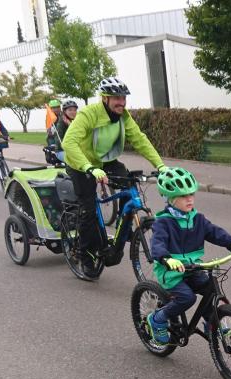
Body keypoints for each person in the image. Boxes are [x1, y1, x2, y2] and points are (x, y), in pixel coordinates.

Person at [61, 77, 169, 273]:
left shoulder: (123, 116)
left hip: (106, 160)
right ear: (104, 98)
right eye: (116, 98)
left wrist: (160, 166)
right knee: (88, 211)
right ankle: (85, 255)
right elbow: (69, 143)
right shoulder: (88, 113)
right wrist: (89, 167)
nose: (121, 102)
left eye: (123, 98)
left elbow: (139, 140)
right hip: (80, 164)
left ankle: (124, 226)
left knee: (130, 187)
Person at [145, 167, 231, 344]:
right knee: (187, 297)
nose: (189, 199)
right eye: (183, 196)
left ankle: (211, 323)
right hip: (171, 273)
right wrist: (167, 259)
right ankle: (157, 319)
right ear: (170, 199)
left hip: (193, 268)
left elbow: (216, 233)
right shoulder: (163, 222)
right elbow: (157, 244)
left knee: (210, 287)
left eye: (191, 194)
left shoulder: (198, 219)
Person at [44, 99, 77, 164]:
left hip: (69, 144)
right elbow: (55, 134)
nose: (56, 109)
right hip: (56, 141)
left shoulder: (65, 117)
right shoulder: (54, 119)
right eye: (54, 108)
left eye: (58, 107)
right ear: (50, 109)